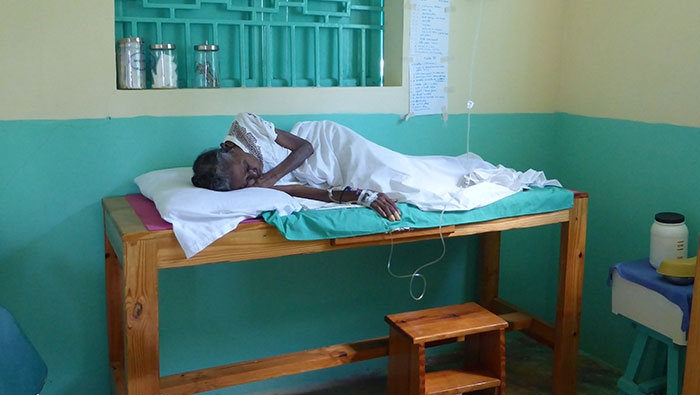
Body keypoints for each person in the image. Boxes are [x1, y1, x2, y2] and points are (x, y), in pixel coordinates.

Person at [192, 112, 560, 222]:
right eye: (249, 180)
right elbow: (301, 191)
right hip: (320, 174)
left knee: (403, 177)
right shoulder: (249, 188)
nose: (255, 175)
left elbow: (304, 147)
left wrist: (267, 177)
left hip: (328, 144)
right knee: (398, 185)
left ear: (230, 148)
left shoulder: (244, 124)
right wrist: (358, 196)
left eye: (248, 168)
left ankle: (477, 175)